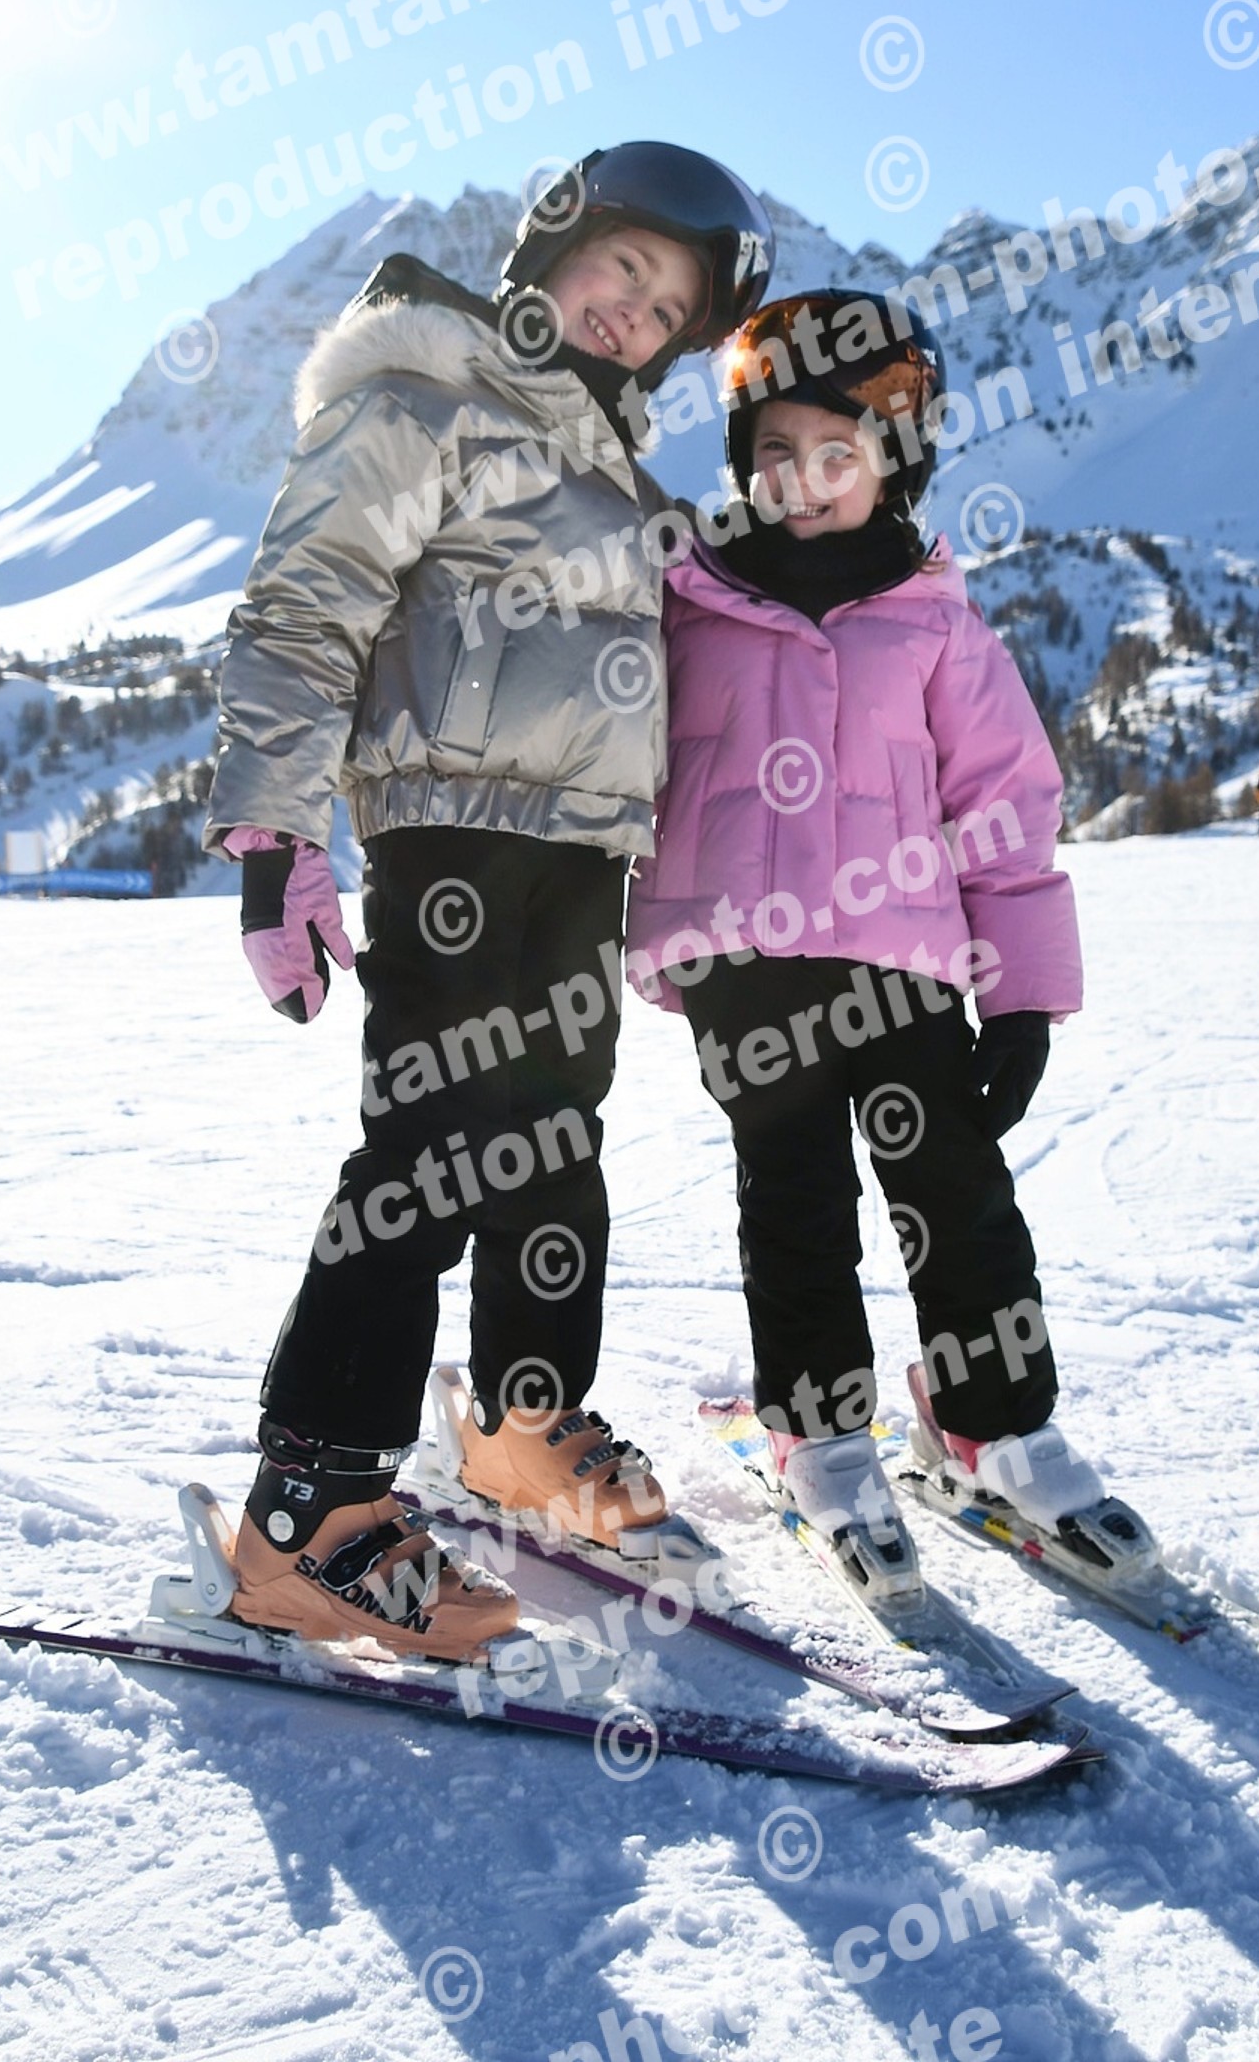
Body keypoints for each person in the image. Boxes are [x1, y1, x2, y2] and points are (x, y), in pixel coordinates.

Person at [202, 142, 775, 1659]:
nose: (632, 310)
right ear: (552, 247)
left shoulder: (624, 479)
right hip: (448, 835)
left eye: (667, 306)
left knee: (554, 1140)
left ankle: (522, 1420)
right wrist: (274, 828)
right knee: (430, 1150)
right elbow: (303, 602)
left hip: (581, 853)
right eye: (623, 267)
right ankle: (308, 1510)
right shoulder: (421, 398)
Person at [624, 290, 1125, 1598]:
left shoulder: (934, 618)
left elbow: (1005, 806)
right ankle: (821, 1433)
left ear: (891, 461)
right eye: (774, 451)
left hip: (905, 959)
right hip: (745, 963)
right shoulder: (686, 603)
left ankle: (993, 1422)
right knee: (793, 1197)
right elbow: (608, 756)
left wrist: (1021, 996)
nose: (803, 478)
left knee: (955, 1191)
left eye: (835, 452)